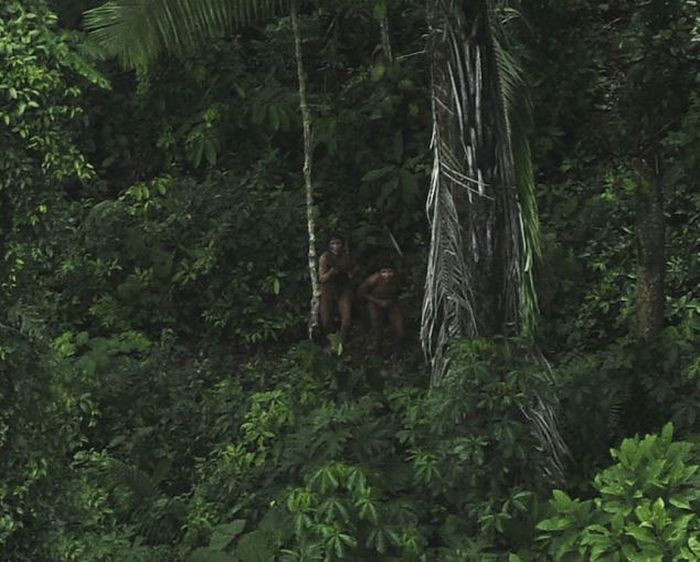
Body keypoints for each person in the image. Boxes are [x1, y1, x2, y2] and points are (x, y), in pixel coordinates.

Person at [358, 262, 405, 354]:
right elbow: (361, 292)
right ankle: (376, 353)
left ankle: (397, 354)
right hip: (375, 305)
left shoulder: (397, 279)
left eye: (390, 272)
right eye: (383, 272)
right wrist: (378, 301)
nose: (387, 275)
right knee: (378, 330)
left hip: (391, 304)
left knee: (401, 331)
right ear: (379, 273)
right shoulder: (373, 279)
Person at [318, 234, 356, 343]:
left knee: (346, 319)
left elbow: (355, 267)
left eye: (338, 243)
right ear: (328, 246)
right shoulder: (325, 257)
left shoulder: (346, 255)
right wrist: (331, 272)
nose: (336, 247)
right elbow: (322, 278)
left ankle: (341, 343)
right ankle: (330, 342)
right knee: (326, 321)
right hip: (328, 289)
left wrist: (351, 273)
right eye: (333, 244)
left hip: (343, 288)